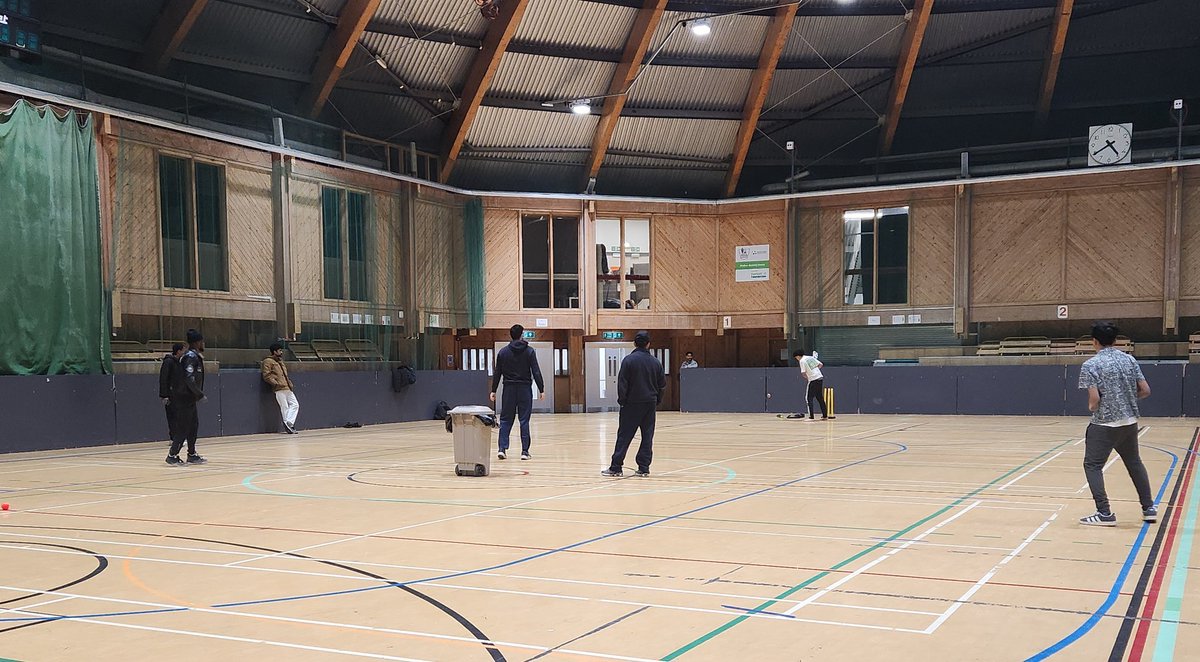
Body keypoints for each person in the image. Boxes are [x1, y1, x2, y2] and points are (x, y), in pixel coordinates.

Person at [1078, 321, 1156, 526]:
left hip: (1104, 424)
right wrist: (1126, 399)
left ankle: (1104, 513)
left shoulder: (1091, 365)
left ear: (1094, 341)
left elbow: (1094, 400)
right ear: (1114, 340)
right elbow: (1146, 390)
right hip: (1129, 422)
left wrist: (1092, 407)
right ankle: (1149, 508)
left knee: (1092, 465)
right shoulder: (1129, 360)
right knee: (1134, 463)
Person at [601, 331, 666, 477]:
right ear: (648, 344)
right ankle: (644, 468)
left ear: (635, 343)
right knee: (647, 436)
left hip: (631, 403)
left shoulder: (628, 360)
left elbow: (622, 383)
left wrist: (622, 401)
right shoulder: (656, 362)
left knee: (624, 435)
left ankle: (616, 467)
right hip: (650, 403)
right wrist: (657, 401)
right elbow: (662, 385)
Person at [490, 324, 545, 460]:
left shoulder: (503, 352)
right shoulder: (529, 351)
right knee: (524, 420)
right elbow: (536, 371)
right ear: (522, 334)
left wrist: (493, 390)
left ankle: (502, 449)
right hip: (524, 389)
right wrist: (541, 389)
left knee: (505, 419)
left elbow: (498, 372)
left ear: (511, 335)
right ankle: (524, 452)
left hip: (508, 389)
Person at [167, 329, 207, 466]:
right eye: (202, 341)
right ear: (197, 342)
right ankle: (172, 455)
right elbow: (188, 378)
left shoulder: (195, 356)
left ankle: (192, 453)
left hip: (190, 397)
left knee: (193, 425)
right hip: (184, 397)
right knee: (184, 426)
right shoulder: (191, 357)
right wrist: (199, 393)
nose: (203, 343)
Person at [262, 342, 299, 434]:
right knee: (284, 406)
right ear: (274, 351)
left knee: (295, 404)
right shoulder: (267, 361)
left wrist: (289, 383)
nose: (281, 352)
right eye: (279, 350)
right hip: (279, 388)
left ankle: (289, 422)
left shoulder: (280, 361)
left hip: (287, 387)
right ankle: (287, 423)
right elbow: (267, 375)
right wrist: (275, 383)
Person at [791, 349, 833, 421]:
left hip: (813, 379)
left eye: (796, 358)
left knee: (808, 398)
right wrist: (814, 371)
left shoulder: (802, 361)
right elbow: (820, 364)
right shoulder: (810, 357)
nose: (797, 359)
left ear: (798, 356)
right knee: (819, 397)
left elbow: (803, 373)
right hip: (820, 377)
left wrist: (809, 377)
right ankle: (825, 415)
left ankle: (811, 417)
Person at [158, 342, 185, 442]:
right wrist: (164, 395)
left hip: (177, 395)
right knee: (172, 416)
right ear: (178, 351)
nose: (184, 352)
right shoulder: (168, 362)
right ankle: (173, 438)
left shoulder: (178, 362)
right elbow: (163, 378)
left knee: (179, 416)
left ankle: (177, 437)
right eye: (183, 350)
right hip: (170, 395)